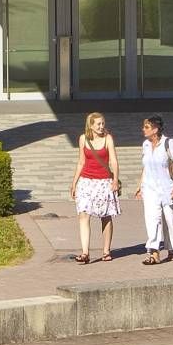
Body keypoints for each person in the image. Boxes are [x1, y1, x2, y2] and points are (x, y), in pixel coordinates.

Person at [135, 114, 173, 264]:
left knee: (170, 220)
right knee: (152, 220)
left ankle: (172, 249)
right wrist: (140, 185)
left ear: (155, 129)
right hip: (150, 188)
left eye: (146, 127)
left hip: (168, 188)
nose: (143, 129)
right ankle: (154, 252)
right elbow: (146, 167)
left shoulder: (169, 143)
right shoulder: (145, 145)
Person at [69, 111, 120, 263]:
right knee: (84, 214)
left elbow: (114, 161)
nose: (101, 126)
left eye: (103, 123)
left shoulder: (108, 139)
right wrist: (74, 183)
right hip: (86, 181)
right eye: (98, 124)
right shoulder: (83, 139)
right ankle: (85, 252)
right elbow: (81, 162)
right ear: (90, 125)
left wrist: (115, 180)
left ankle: (106, 251)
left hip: (104, 182)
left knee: (106, 215)